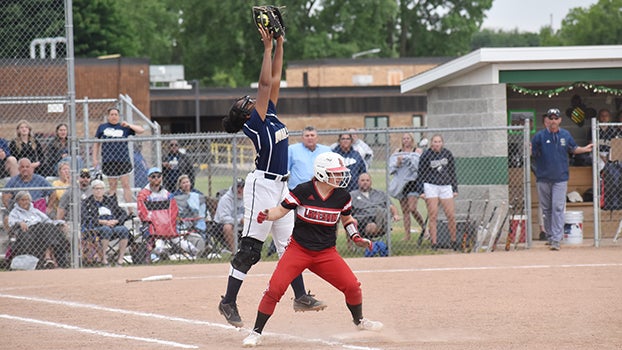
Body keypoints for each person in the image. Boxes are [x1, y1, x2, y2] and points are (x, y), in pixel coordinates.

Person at [219, 25, 324, 328]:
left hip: (281, 186)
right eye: (245, 104)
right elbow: (265, 83)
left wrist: (280, 43)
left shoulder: (271, 115)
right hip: (262, 186)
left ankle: (301, 296)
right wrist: (266, 49)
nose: (250, 101)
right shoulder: (255, 122)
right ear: (244, 115)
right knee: (251, 248)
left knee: (291, 246)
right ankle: (227, 302)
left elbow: (274, 79)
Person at [242, 152, 383, 347]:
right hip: (298, 250)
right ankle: (256, 332)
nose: (341, 177)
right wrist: (267, 214)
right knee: (274, 289)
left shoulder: (342, 196)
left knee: (352, 287)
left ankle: (359, 321)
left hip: (326, 253)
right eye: (336, 173)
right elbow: (280, 210)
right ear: (322, 174)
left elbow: (347, 219)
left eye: (341, 173)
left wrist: (356, 237)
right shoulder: (303, 190)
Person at [531, 108, 593, 251]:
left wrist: (584, 149)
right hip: (543, 178)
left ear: (559, 120)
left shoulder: (565, 134)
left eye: (555, 118)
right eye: (550, 118)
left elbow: (573, 148)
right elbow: (532, 152)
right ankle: (551, 235)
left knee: (558, 207)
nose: (553, 121)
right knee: (547, 209)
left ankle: (556, 239)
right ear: (547, 120)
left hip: (560, 177)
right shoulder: (539, 136)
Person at [92, 107, 145, 205]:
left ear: (119, 116)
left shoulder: (123, 127)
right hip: (109, 160)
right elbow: (96, 143)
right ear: (108, 116)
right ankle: (114, 209)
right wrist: (95, 158)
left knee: (126, 184)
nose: (114, 116)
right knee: (112, 186)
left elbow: (141, 130)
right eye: (111, 114)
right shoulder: (102, 127)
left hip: (123, 159)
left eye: (116, 114)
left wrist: (128, 125)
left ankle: (130, 212)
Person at [417, 134, 459, 251]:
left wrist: (454, 188)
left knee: (450, 215)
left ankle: (454, 241)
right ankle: (434, 243)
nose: (437, 144)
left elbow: (452, 172)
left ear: (442, 143)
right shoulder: (426, 155)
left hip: (445, 186)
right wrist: (421, 190)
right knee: (433, 215)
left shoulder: (447, 154)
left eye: (439, 141)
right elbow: (420, 174)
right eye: (435, 142)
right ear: (431, 143)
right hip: (431, 186)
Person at [8, 191, 69, 269]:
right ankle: (49, 258)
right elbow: (11, 222)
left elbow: (48, 220)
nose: (25, 202)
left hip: (42, 231)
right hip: (29, 231)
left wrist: (60, 222)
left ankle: (48, 257)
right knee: (47, 228)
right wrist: (19, 223)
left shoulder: (35, 211)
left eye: (27, 200)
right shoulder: (15, 212)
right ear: (18, 201)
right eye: (22, 200)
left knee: (50, 227)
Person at [81, 179, 130, 266]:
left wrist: (116, 221)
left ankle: (120, 259)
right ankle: (104, 258)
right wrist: (102, 222)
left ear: (104, 190)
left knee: (124, 230)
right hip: (95, 227)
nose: (99, 191)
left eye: (101, 188)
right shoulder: (87, 202)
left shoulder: (109, 201)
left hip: (112, 225)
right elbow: (85, 217)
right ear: (92, 190)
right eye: (96, 189)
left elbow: (123, 213)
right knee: (106, 229)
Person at [388, 133, 426, 241]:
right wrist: (398, 163)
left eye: (408, 138)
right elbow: (391, 168)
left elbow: (421, 167)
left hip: (413, 182)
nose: (406, 140)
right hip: (401, 184)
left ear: (412, 140)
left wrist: (412, 160)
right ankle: (407, 235)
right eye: (404, 138)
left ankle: (424, 228)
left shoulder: (417, 151)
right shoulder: (397, 152)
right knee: (405, 211)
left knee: (412, 208)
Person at [2, 158, 53, 228]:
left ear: (31, 168)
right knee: (6, 217)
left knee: (51, 216)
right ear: (19, 169)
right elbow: (5, 196)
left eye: (27, 167)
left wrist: (49, 207)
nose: (25, 169)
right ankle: (12, 237)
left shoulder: (40, 179)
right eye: (22, 167)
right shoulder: (13, 181)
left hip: (36, 208)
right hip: (20, 209)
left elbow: (53, 192)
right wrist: (13, 209)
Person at [350, 173, 399, 240]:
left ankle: (380, 223)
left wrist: (395, 215)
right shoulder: (353, 195)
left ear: (371, 182)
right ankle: (379, 226)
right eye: (362, 180)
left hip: (378, 216)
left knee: (382, 212)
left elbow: (391, 206)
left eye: (367, 180)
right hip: (362, 219)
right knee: (372, 226)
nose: (365, 182)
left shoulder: (380, 194)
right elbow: (347, 211)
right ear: (358, 182)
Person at [173, 174, 208, 255]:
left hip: (197, 219)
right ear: (180, 185)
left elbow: (202, 211)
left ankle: (204, 247)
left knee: (202, 225)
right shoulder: (176, 197)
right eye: (183, 183)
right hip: (182, 221)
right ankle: (188, 249)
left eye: (187, 182)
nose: (186, 184)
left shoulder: (197, 195)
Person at [287, 125, 331, 190]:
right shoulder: (292, 150)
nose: (310, 138)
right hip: (296, 190)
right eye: (307, 136)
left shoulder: (326, 151)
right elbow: (285, 170)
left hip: (320, 190)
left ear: (317, 138)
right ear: (302, 138)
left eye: (312, 135)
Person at [213, 177, 245, 253]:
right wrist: (239, 220)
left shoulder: (247, 198)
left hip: (240, 223)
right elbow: (223, 218)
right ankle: (235, 252)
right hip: (220, 226)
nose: (239, 190)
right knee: (228, 227)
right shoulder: (226, 199)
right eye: (237, 187)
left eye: (242, 187)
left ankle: (250, 251)